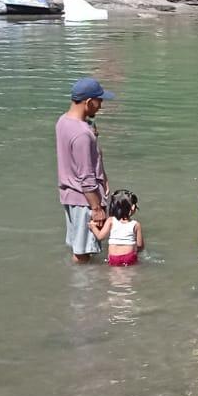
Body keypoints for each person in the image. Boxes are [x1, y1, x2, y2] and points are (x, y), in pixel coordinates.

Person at [55, 77, 113, 264]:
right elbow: (86, 177)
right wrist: (96, 209)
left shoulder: (63, 121)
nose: (101, 106)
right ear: (89, 102)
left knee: (78, 247)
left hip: (70, 194)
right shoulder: (82, 134)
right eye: (99, 101)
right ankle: (85, 290)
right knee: (83, 254)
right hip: (84, 200)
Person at [92, 189, 142, 267]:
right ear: (132, 207)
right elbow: (140, 245)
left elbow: (100, 237)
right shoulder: (136, 224)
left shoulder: (111, 220)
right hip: (129, 257)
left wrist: (93, 227)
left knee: (114, 277)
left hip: (114, 257)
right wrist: (136, 251)